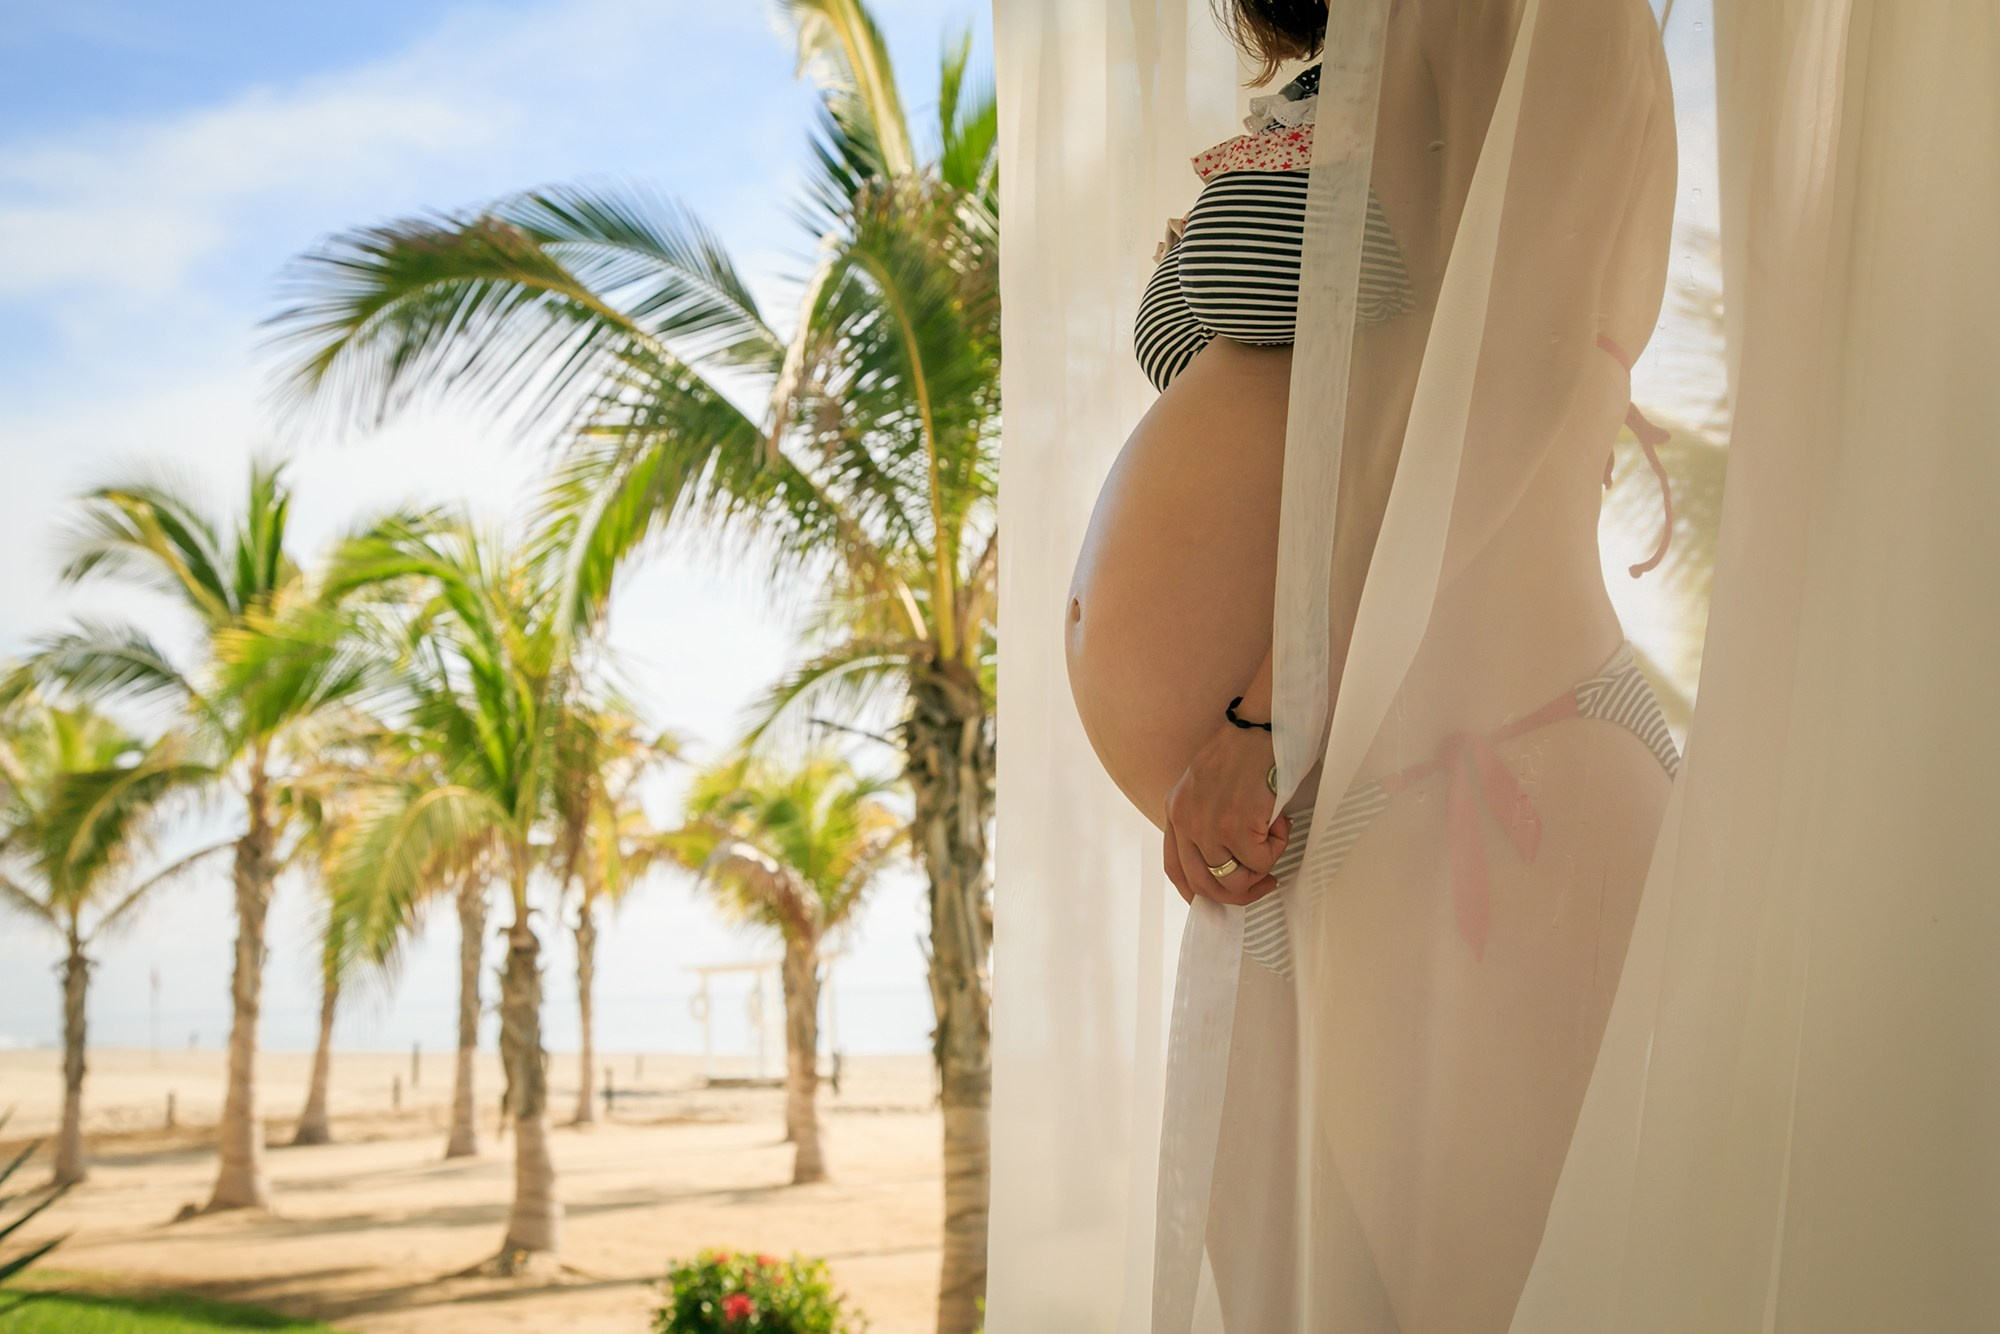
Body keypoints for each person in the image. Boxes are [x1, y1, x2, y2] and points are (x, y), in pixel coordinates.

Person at [1063, 0, 1681, 1326]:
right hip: (1316, 805)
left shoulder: (1540, 18)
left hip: (1488, 762)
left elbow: (1519, 374)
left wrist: (1278, 701)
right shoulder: (1352, 72)